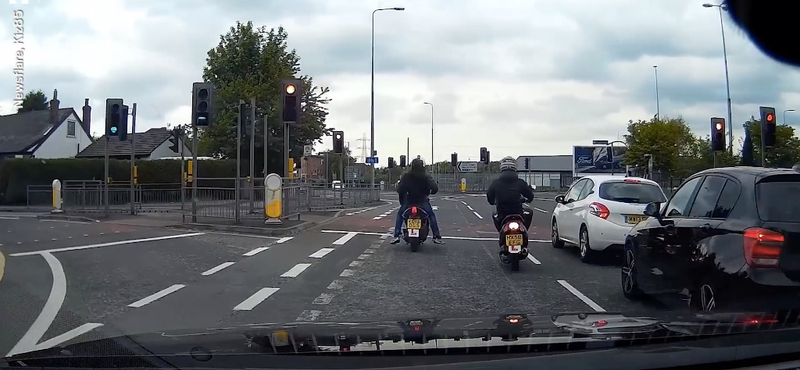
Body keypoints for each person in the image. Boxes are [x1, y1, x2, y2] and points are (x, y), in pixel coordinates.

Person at [391, 158, 443, 244]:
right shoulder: (426, 176)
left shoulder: (407, 176)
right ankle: (436, 236)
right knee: (431, 216)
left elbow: (399, 189)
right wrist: (431, 192)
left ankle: (396, 235)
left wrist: (403, 193)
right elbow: (435, 188)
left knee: (400, 215)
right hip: (422, 201)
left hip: (409, 201)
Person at [486, 156, 535, 232]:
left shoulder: (496, 183)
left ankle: (501, 231)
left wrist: (493, 202)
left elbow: (489, 195)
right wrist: (528, 199)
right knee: (529, 212)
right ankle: (524, 230)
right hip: (517, 212)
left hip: (502, 213)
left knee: (494, 215)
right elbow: (530, 195)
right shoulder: (520, 182)